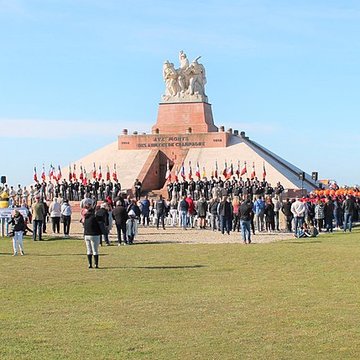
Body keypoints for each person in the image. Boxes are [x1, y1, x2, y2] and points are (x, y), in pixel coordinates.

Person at [83, 200, 102, 269]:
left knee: (89, 250)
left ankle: (90, 264)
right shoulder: (94, 217)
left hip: (86, 234)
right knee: (95, 250)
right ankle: (96, 264)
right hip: (94, 234)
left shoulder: (85, 217)